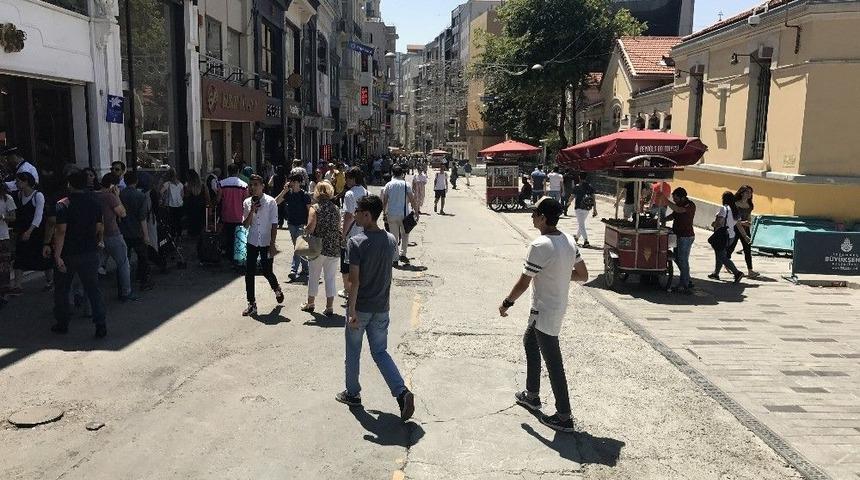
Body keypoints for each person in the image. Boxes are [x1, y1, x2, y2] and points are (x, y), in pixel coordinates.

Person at [499, 197, 588, 433]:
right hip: (553, 307)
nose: (531, 216)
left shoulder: (540, 245)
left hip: (545, 310)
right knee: (529, 342)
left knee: (554, 362)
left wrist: (507, 303)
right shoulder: (568, 240)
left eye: (535, 213)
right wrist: (557, 275)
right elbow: (582, 274)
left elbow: (524, 282)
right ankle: (532, 394)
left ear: (544, 218)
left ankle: (564, 415)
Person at [335, 194, 415, 421]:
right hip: (382, 306)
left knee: (353, 352)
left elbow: (355, 281)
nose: (355, 215)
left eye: (358, 212)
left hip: (361, 307)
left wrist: (350, 310)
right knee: (380, 352)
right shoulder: (390, 239)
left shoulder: (356, 242)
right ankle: (402, 393)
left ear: (368, 215)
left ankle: (352, 393)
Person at [51, 171, 106, 337]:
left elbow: (61, 231)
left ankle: (62, 322)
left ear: (69, 184)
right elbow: (99, 227)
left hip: (68, 252)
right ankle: (100, 324)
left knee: (62, 289)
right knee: (93, 289)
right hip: (89, 250)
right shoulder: (95, 202)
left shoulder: (63, 204)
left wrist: (57, 255)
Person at [240, 175, 284, 317]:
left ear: (262, 186)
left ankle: (276, 288)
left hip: (266, 242)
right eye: (251, 185)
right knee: (249, 273)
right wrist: (252, 210)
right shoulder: (247, 202)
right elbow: (245, 225)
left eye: (256, 185)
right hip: (252, 241)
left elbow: (274, 224)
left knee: (266, 271)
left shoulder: (271, 202)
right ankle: (251, 303)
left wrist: (272, 244)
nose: (253, 188)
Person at [301, 181, 341, 316]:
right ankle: (329, 307)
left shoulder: (315, 208)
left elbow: (311, 227)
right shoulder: (336, 208)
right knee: (330, 278)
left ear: (317, 192)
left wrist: (305, 231)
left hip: (318, 247)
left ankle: (310, 303)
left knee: (314, 276)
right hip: (334, 246)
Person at [96, 173, 135, 302]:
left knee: (97, 264)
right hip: (112, 233)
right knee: (123, 263)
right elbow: (122, 213)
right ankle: (126, 292)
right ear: (113, 185)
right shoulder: (110, 197)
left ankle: (84, 293)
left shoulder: (95, 195)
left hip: (98, 234)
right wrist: (117, 196)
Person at [9, 172, 48, 295]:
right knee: (19, 257)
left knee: (42, 257)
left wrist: (30, 231)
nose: (17, 184)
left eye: (19, 181)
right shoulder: (19, 195)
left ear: (26, 182)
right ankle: (18, 285)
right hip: (22, 229)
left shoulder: (38, 195)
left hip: (37, 230)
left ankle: (49, 280)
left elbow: (38, 215)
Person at [120, 171, 153, 291]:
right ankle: (144, 282)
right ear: (136, 181)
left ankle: (124, 285)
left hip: (124, 231)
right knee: (143, 258)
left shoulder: (120, 195)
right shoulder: (141, 196)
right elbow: (142, 218)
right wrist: (146, 235)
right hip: (137, 231)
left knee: (124, 260)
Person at [340, 167, 368, 299]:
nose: (346, 180)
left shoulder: (349, 194)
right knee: (361, 263)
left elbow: (348, 216)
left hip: (352, 234)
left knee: (347, 264)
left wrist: (343, 234)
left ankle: (348, 290)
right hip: (364, 232)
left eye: (347, 178)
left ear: (353, 179)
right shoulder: (365, 192)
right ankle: (360, 289)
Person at [663, 187, 696, 294]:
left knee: (683, 259)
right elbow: (673, 215)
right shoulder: (679, 205)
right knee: (677, 258)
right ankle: (686, 278)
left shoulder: (689, 205)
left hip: (686, 237)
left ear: (682, 197)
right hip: (678, 235)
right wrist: (661, 220)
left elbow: (678, 210)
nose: (674, 200)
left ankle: (684, 284)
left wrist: (667, 202)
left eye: (675, 198)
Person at [709, 191, 745, 283]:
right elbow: (738, 223)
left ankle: (737, 273)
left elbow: (720, 222)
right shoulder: (735, 209)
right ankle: (716, 273)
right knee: (720, 253)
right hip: (731, 235)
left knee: (722, 256)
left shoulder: (724, 209)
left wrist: (714, 224)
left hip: (722, 235)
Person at [217, 163, 249, 259]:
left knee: (228, 236)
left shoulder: (222, 183)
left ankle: (228, 254)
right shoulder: (244, 185)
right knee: (238, 237)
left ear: (228, 171)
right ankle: (237, 255)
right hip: (239, 216)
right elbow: (246, 201)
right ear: (238, 172)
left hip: (226, 215)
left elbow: (218, 199)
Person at [283, 174, 312, 281]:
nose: (293, 184)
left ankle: (293, 270)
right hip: (291, 224)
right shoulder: (288, 194)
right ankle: (305, 268)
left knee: (298, 248)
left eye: (295, 182)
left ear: (300, 183)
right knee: (299, 247)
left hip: (302, 225)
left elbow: (310, 211)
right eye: (292, 182)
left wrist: (309, 225)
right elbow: (276, 202)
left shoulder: (304, 195)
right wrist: (284, 191)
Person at [728, 185, 759, 278]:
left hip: (745, 228)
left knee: (747, 249)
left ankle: (750, 271)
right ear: (742, 193)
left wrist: (749, 223)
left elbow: (749, 216)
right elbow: (736, 221)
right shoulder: (736, 204)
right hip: (736, 228)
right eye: (747, 192)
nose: (749, 194)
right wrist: (744, 234)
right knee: (731, 248)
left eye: (750, 192)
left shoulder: (749, 205)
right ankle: (727, 264)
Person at [571, 176, 598, 247]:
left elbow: (572, 196)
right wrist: (595, 209)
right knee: (581, 224)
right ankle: (576, 238)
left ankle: (586, 241)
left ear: (579, 177)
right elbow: (593, 199)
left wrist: (568, 203)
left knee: (581, 224)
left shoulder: (577, 186)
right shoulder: (590, 187)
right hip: (587, 208)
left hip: (578, 207)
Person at [0, 181, 15, 303]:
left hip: (3, 236)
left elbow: (13, 216)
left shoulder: (7, 199)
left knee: (4, 265)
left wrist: (3, 217)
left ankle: (4, 291)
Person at [160, 168, 184, 240]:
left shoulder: (167, 184)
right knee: (178, 220)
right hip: (179, 204)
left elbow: (161, 192)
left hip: (170, 205)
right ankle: (179, 235)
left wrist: (163, 198)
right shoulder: (180, 184)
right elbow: (182, 194)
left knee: (172, 221)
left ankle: (173, 235)